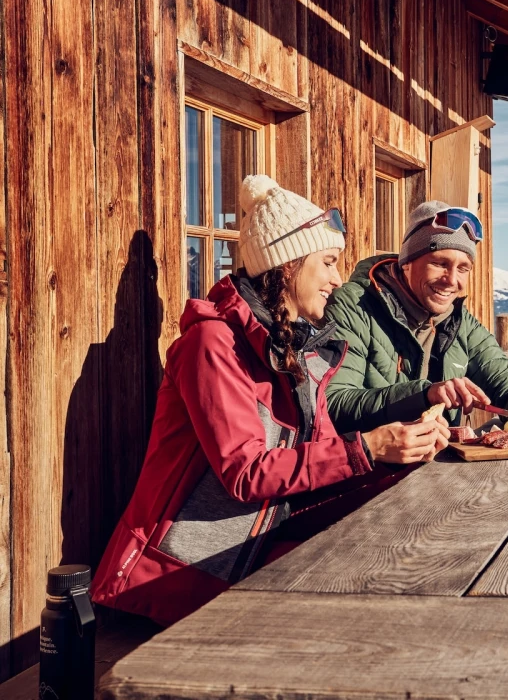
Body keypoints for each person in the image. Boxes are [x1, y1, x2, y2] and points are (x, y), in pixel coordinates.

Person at [92, 176, 448, 626]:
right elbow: (246, 474)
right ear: (289, 264)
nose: (338, 280)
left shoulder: (298, 351)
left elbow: (317, 471)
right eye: (329, 262)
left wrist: (404, 454)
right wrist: (368, 447)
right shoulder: (212, 344)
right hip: (165, 587)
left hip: (247, 561)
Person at [325, 201, 508, 433]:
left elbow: (502, 378)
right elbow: (334, 405)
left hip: (440, 470)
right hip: (369, 472)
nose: (452, 281)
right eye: (440, 263)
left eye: (463, 268)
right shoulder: (353, 306)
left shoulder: (457, 320)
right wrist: (424, 396)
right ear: (406, 262)